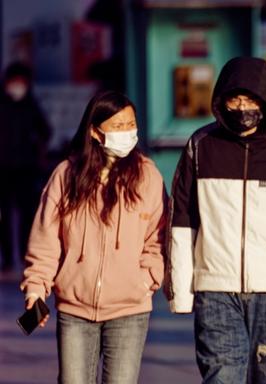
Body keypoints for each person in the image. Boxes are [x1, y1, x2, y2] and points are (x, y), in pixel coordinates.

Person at [165, 57, 266, 383]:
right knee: (221, 377)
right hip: (215, 291)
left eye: (251, 99)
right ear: (220, 101)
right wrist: (181, 290)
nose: (242, 107)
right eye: (234, 99)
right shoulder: (201, 146)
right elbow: (181, 219)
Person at [20, 90, 165, 383]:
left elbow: (158, 238)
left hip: (129, 309)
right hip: (75, 310)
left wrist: (147, 279)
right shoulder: (67, 174)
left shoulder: (147, 176)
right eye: (118, 126)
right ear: (95, 132)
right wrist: (36, 287)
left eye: (131, 124)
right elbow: (46, 240)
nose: (128, 132)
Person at [0, 62, 51, 272]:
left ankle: (24, 253)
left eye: (22, 81)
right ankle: (8, 258)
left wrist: (36, 146)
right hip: (2, 169)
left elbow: (46, 131)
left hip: (26, 169)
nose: (18, 86)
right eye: (15, 81)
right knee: (4, 215)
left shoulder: (31, 106)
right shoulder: (1, 105)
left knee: (27, 214)